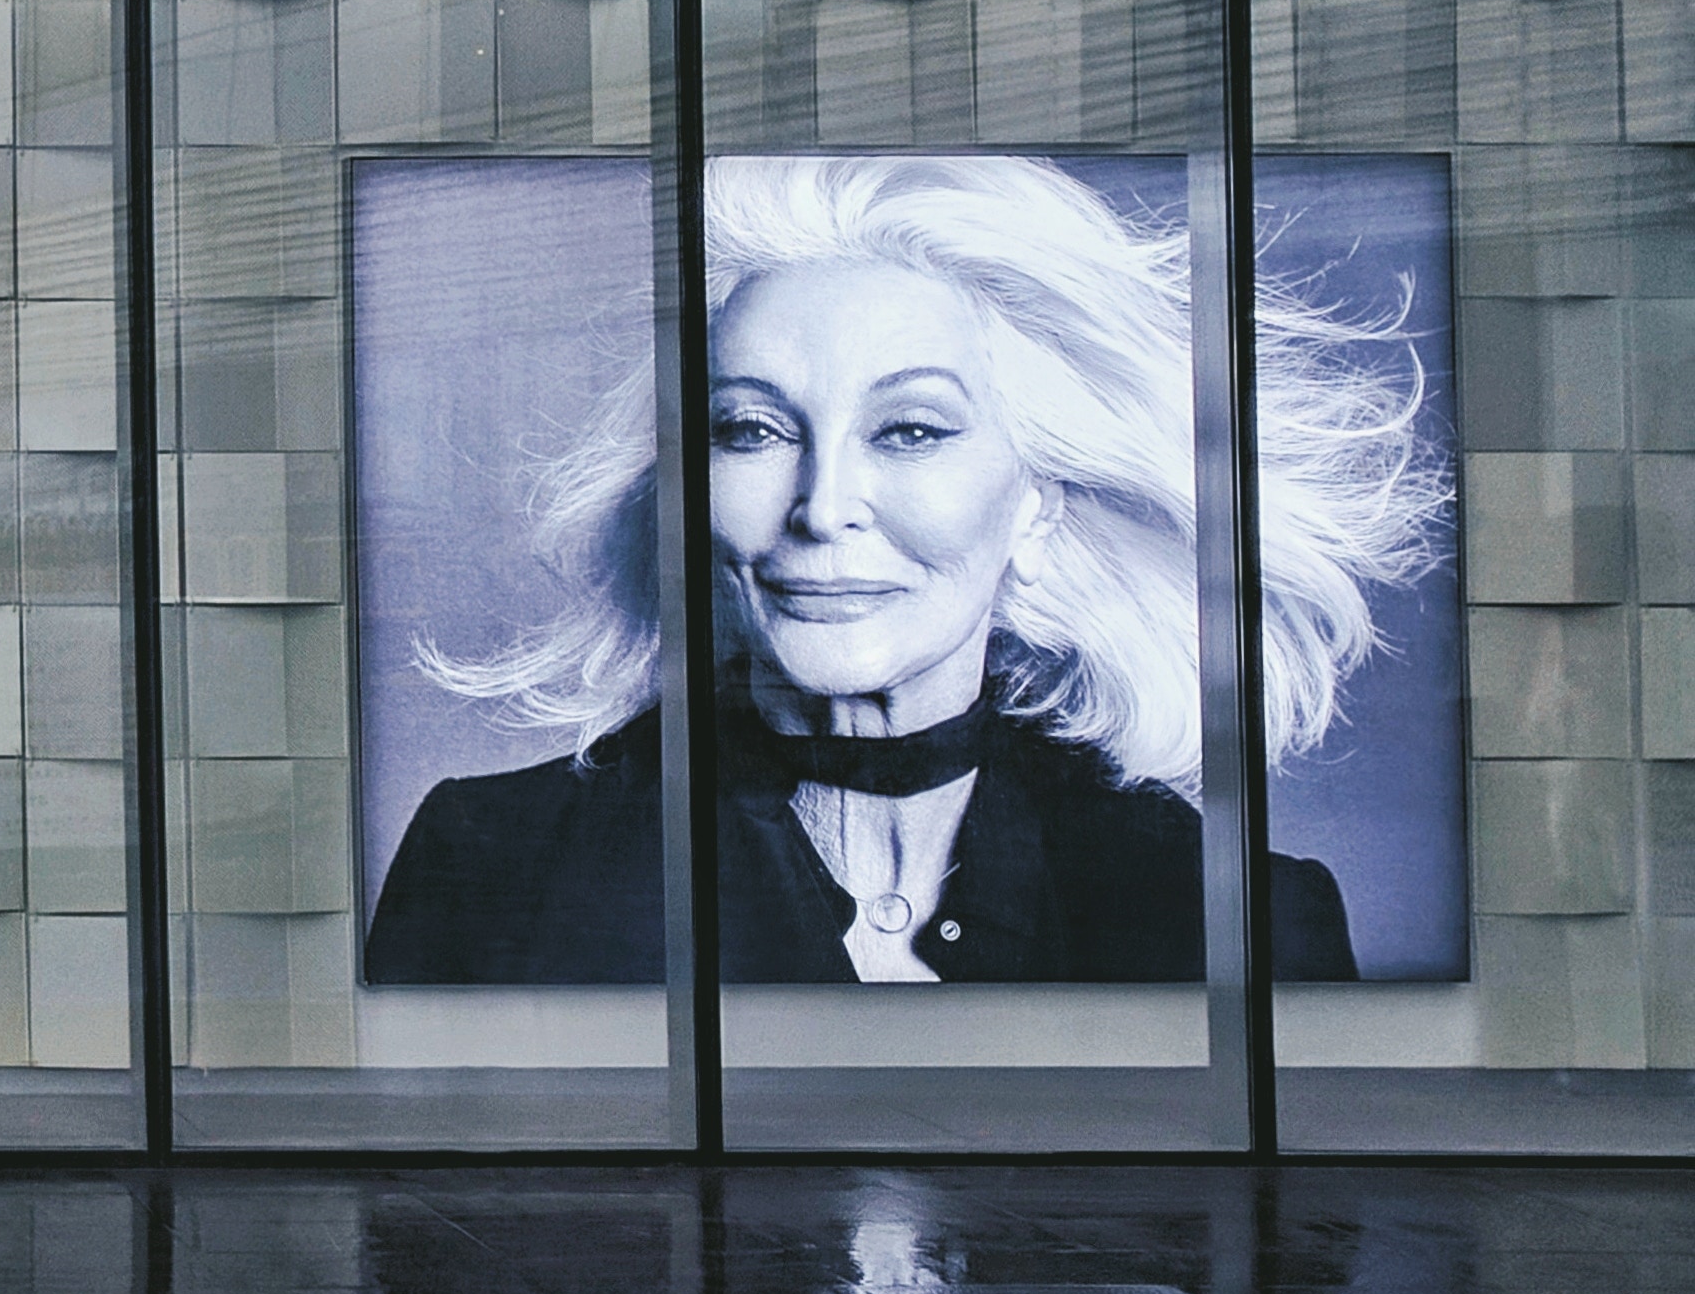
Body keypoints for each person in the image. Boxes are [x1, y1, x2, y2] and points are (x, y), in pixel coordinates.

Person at [366, 154, 1444, 987]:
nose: (822, 506)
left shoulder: (1233, 912)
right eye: (749, 430)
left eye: (911, 431)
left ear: (1037, 504)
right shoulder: (490, 865)